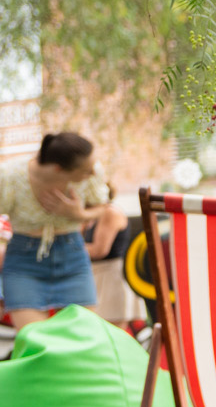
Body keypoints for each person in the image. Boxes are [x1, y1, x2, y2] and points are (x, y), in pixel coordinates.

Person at [0, 132, 124, 328]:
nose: (93, 173)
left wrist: (78, 214)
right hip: (24, 263)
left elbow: (102, 206)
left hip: (72, 256)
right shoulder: (10, 175)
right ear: (59, 169)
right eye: (86, 171)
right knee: (34, 340)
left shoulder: (91, 171)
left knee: (83, 336)